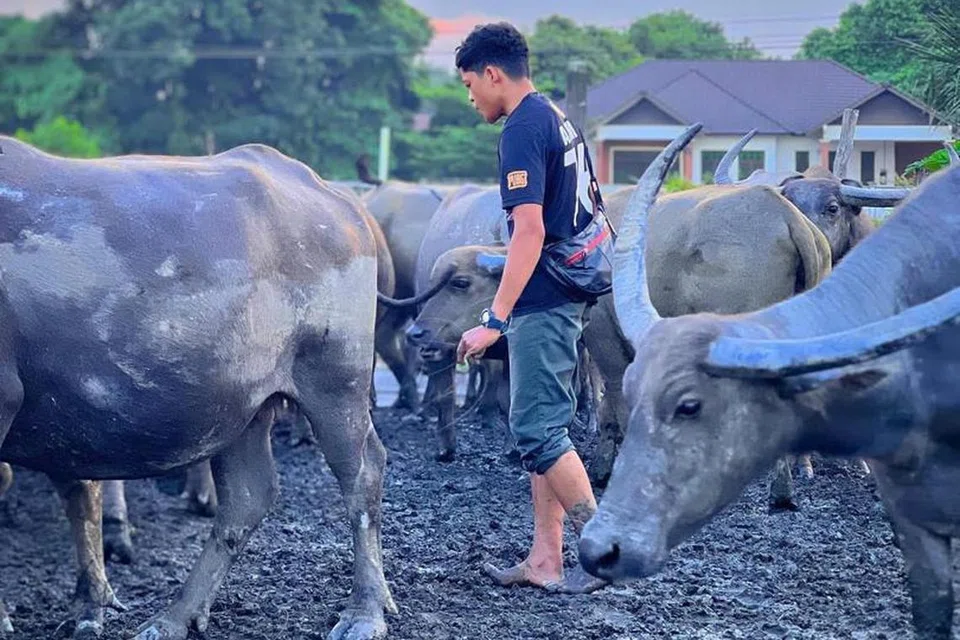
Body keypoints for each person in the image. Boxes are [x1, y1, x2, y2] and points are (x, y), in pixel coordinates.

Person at [454, 21, 608, 594]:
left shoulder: (521, 128)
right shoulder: (556, 116)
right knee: (550, 427)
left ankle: (602, 549)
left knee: (536, 428)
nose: (471, 98)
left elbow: (529, 231)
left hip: (544, 298)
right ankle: (547, 560)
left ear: (493, 73)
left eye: (471, 85)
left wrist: (494, 318)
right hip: (568, 289)